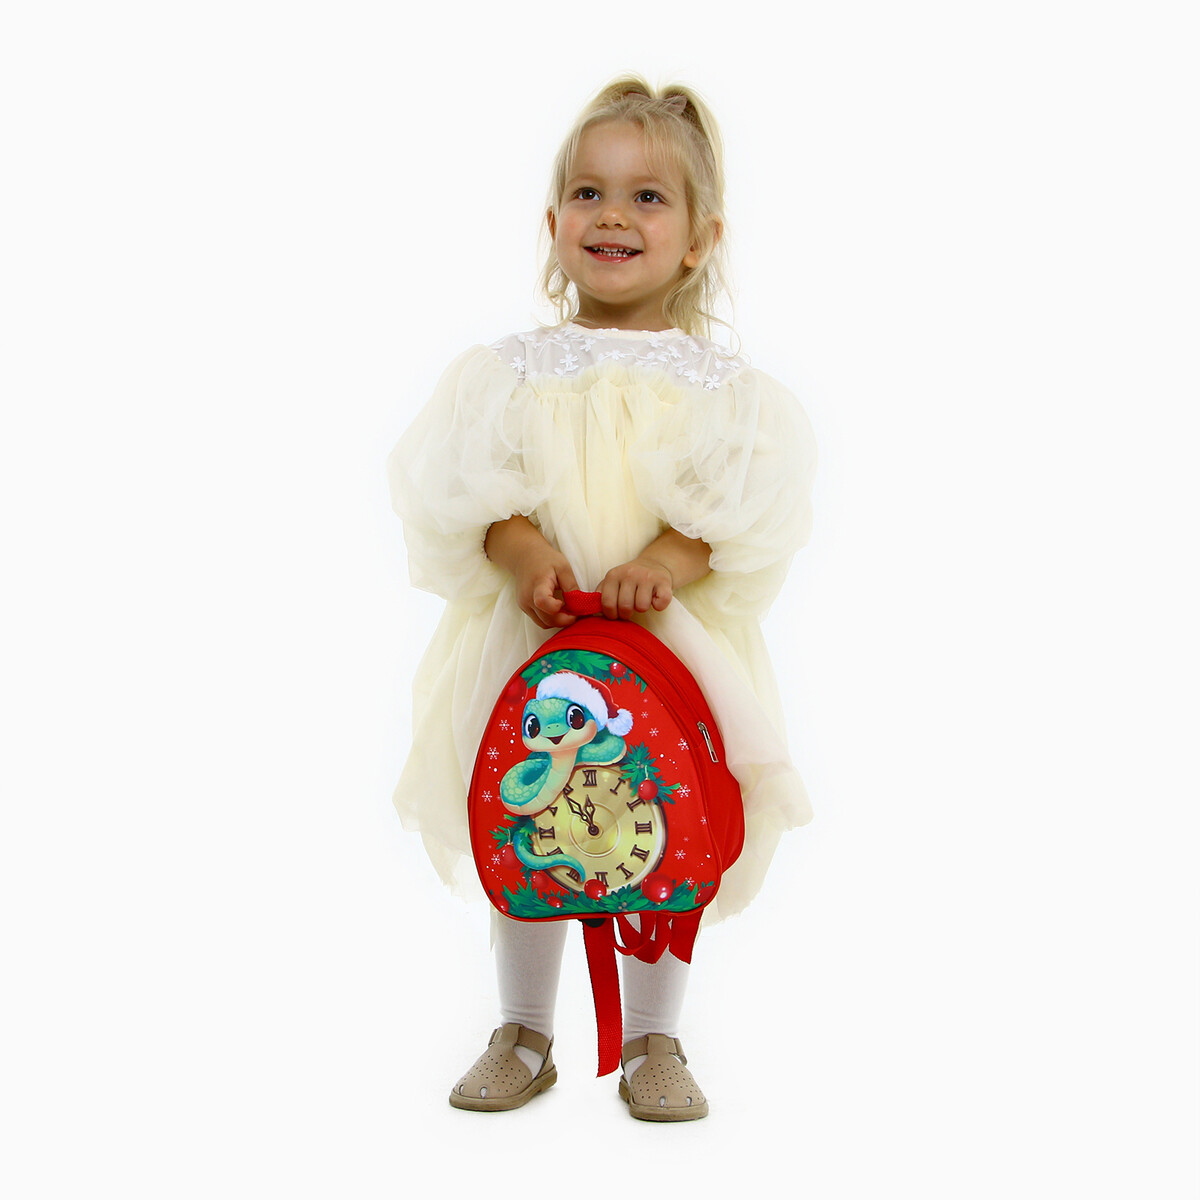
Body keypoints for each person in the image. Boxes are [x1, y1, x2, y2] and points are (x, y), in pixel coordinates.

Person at [388, 76, 817, 1120]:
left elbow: (730, 516)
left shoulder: (725, 393)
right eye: (588, 192)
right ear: (552, 223)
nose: (612, 215)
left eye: (647, 197)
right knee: (528, 812)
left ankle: (652, 1039)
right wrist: (526, 550)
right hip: (537, 642)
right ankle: (523, 1028)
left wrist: (663, 561)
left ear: (701, 239)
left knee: (659, 817)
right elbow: (475, 497)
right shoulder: (511, 374)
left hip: (664, 650)